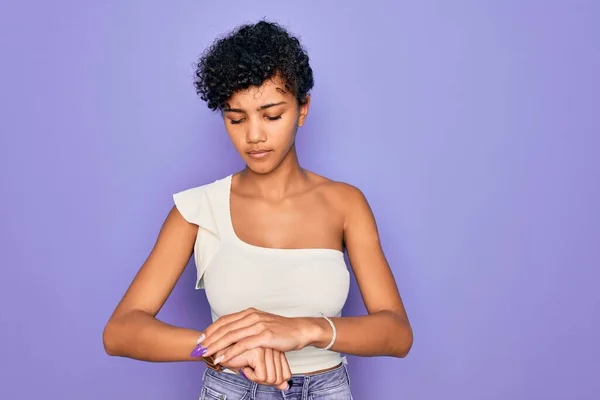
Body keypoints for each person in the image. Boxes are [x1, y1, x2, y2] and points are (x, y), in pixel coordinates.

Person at [102, 20, 413, 400]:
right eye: (236, 118)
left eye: (271, 115)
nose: (253, 136)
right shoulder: (198, 210)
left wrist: (306, 329)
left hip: (328, 390)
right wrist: (223, 347)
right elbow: (121, 331)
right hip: (230, 389)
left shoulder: (346, 204)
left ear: (302, 109)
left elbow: (397, 333)